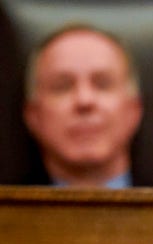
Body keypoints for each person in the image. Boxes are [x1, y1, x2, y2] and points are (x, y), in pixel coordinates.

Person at [21, 24, 143, 188]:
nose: (84, 100)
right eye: (62, 86)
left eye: (102, 84)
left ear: (133, 110)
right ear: (33, 115)